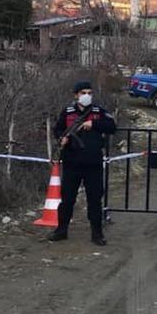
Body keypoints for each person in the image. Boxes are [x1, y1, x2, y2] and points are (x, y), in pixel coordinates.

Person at [48, 81, 117, 246]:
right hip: (72, 163)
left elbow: (112, 126)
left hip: (93, 163)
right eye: (83, 92)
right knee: (67, 199)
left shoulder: (98, 112)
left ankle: (97, 233)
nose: (87, 96)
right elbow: (57, 129)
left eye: (89, 92)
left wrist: (93, 124)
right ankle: (61, 230)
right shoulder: (68, 112)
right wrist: (61, 138)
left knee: (94, 200)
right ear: (76, 95)